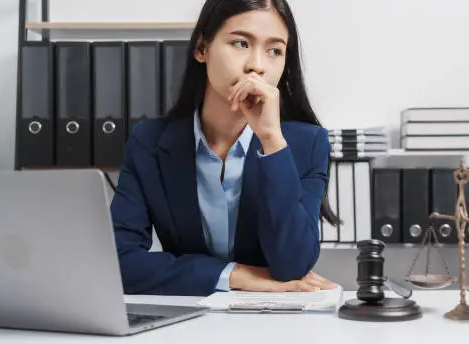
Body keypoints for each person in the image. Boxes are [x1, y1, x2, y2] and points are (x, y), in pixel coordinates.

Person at [110, 0, 341, 297]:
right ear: (202, 49)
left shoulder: (306, 144)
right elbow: (119, 263)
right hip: (186, 319)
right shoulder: (149, 142)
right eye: (241, 43)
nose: (257, 65)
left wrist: (271, 140)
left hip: (275, 323)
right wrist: (234, 275)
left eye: (275, 50)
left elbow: (292, 265)